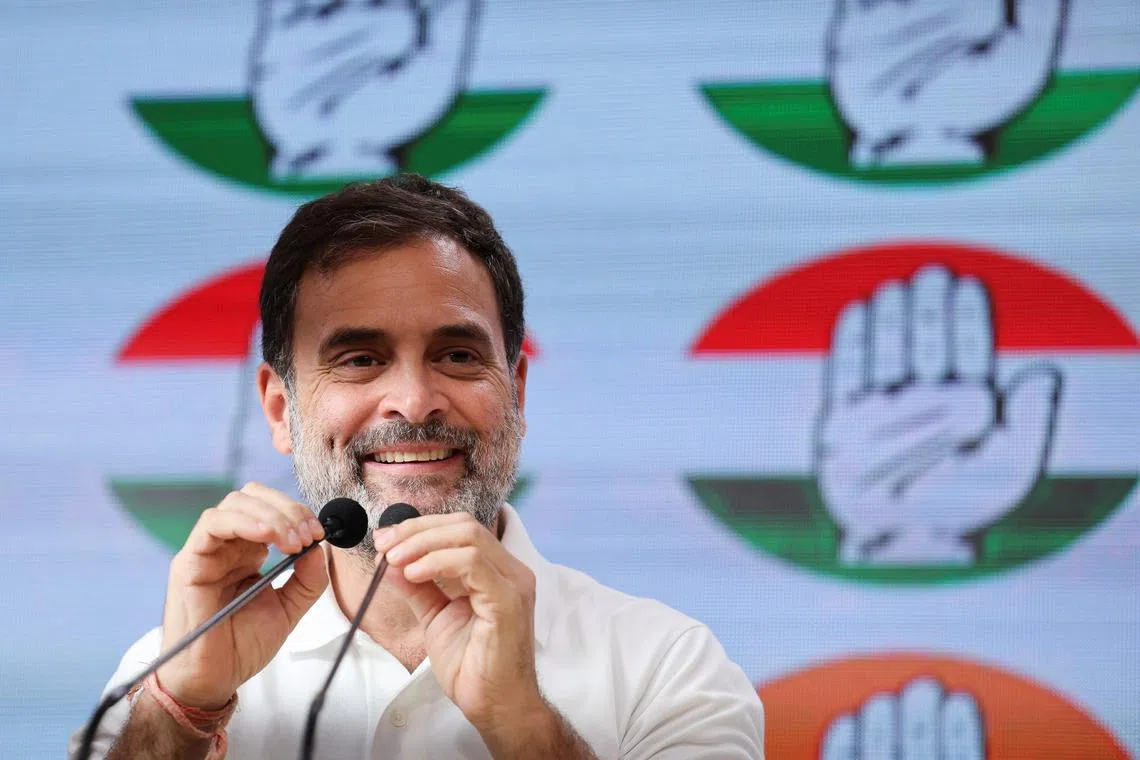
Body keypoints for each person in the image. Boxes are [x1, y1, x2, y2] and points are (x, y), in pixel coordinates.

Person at [70, 174, 765, 759]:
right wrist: (187, 707)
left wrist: (522, 725)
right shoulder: (163, 675)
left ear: (516, 391)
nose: (413, 401)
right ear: (282, 411)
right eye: (360, 359)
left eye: (457, 356)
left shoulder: (668, 666)